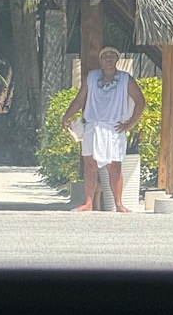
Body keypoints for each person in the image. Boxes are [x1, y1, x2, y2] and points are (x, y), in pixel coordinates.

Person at [61, 46, 146, 212]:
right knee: (90, 166)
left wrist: (129, 124)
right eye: (105, 56)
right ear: (100, 60)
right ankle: (88, 203)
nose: (108, 59)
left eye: (112, 56)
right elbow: (80, 100)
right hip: (94, 126)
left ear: (117, 59)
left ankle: (119, 203)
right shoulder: (91, 78)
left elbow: (140, 101)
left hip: (114, 128)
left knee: (114, 167)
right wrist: (66, 116)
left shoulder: (125, 79)